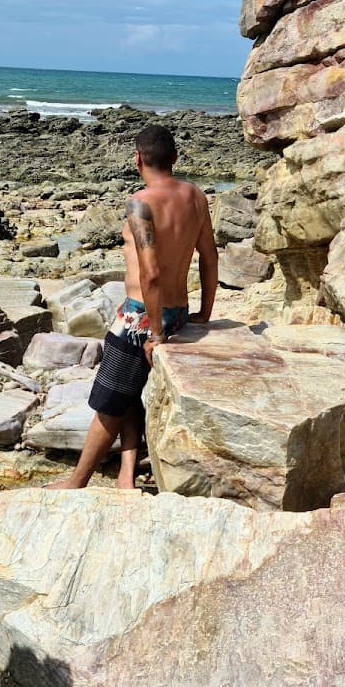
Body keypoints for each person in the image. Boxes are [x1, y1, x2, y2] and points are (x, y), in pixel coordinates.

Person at [48, 123, 218, 490]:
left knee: (108, 403)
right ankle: (126, 475)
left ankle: (76, 482)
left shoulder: (141, 203)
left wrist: (153, 333)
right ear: (174, 158)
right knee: (129, 389)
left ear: (137, 159)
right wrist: (204, 312)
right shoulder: (196, 197)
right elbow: (209, 256)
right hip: (176, 312)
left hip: (142, 318)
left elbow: (151, 274)